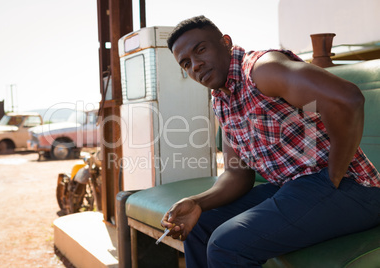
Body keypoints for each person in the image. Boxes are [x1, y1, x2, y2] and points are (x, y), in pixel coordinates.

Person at [160, 15, 380, 267]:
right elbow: (237, 174)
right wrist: (197, 202)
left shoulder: (262, 69)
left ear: (225, 42)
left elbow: (347, 99)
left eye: (200, 50)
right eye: (186, 63)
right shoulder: (220, 100)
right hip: (291, 187)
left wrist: (333, 176)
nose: (196, 66)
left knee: (227, 244)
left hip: (353, 191)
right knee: (200, 226)